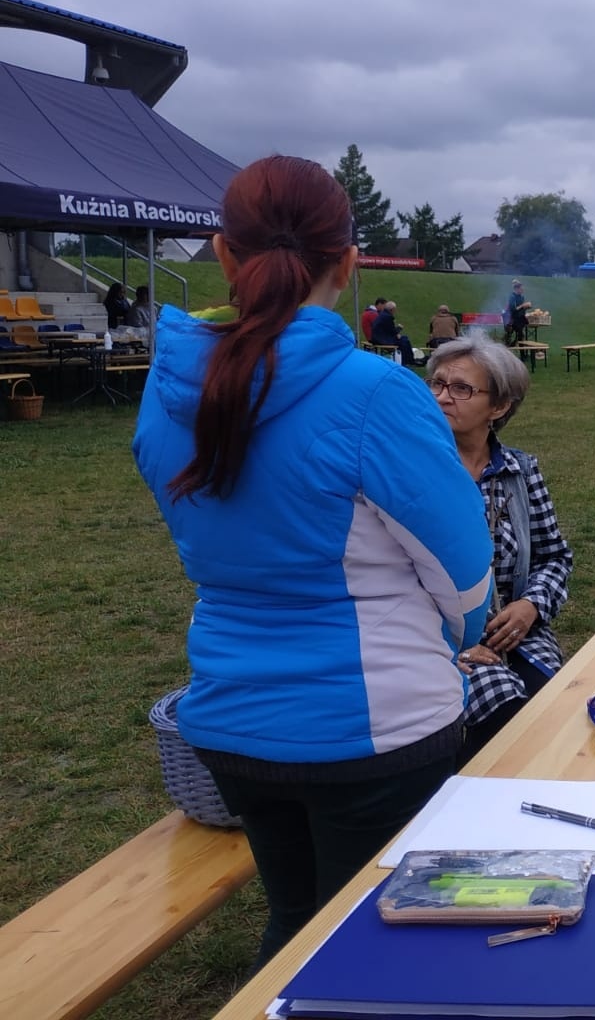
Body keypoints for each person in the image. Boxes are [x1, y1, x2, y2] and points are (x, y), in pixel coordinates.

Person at [131, 154, 493, 967]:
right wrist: (454, 636)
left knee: (297, 922)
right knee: (378, 948)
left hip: (231, 721)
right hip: (375, 731)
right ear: (349, 263)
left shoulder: (167, 386)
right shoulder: (377, 391)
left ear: (224, 255)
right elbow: (466, 576)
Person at [424, 332, 573, 764]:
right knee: (508, 715)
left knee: (558, 705)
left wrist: (530, 607)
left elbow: (553, 557)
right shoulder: (416, 474)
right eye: (436, 383)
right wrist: (456, 645)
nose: (443, 396)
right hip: (435, 645)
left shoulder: (519, 471)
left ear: (499, 407)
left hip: (517, 632)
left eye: (461, 388)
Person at [371, 299, 417, 365]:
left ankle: (408, 360)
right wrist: (399, 328)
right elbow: (392, 332)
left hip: (377, 338)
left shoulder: (382, 315)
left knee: (403, 339)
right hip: (383, 340)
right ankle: (408, 360)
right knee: (404, 340)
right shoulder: (388, 317)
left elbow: (388, 330)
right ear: (392, 309)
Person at [505, 279, 529, 344]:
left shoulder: (522, 297)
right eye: (521, 289)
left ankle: (522, 353)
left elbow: (521, 308)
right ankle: (510, 344)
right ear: (516, 289)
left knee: (521, 335)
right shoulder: (512, 297)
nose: (522, 290)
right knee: (515, 334)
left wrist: (526, 307)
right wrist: (522, 305)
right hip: (513, 319)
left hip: (520, 318)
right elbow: (513, 309)